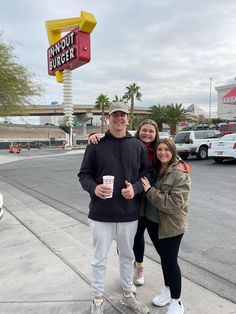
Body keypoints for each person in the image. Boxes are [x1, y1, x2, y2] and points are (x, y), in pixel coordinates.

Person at [88, 121, 189, 288]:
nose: (147, 134)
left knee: (157, 247)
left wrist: (181, 164)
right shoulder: (131, 145)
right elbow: (114, 139)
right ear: (138, 131)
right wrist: (96, 136)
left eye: (151, 131)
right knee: (130, 240)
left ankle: (141, 269)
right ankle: (133, 270)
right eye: (144, 130)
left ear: (156, 134)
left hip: (151, 202)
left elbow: (171, 159)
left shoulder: (159, 150)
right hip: (131, 202)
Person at [78, 102, 151, 314]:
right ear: (108, 119)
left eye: (123, 115)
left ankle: (128, 294)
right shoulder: (95, 144)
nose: (119, 118)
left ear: (128, 118)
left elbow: (147, 173)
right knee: (99, 258)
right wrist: (94, 188)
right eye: (114, 115)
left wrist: (136, 189)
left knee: (127, 256)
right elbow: (84, 175)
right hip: (101, 215)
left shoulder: (136, 146)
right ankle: (98, 300)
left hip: (129, 214)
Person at [141, 138, 191, 314]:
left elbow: (174, 204)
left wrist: (150, 191)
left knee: (170, 262)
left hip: (171, 226)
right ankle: (168, 291)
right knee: (164, 260)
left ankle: (177, 301)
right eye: (159, 149)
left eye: (166, 150)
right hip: (153, 223)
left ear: (173, 152)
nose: (162, 153)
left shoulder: (180, 173)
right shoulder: (155, 170)